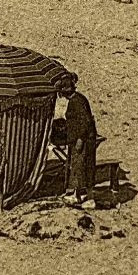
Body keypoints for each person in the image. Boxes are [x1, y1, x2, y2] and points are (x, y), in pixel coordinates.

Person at [57, 75, 98, 207]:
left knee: (82, 167)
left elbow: (85, 121)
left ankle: (88, 198)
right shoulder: (78, 99)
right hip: (79, 139)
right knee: (78, 167)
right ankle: (78, 195)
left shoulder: (77, 101)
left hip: (83, 140)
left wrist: (80, 139)